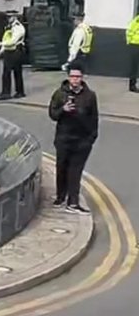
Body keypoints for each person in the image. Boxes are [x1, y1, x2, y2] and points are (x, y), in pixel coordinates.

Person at [48, 66, 99, 212]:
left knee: (75, 171)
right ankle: (60, 197)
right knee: (62, 168)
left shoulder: (90, 96)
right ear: (69, 77)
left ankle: (73, 202)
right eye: (72, 76)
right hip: (64, 138)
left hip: (82, 140)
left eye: (78, 76)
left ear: (82, 78)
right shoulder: (59, 94)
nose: (75, 79)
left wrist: (92, 138)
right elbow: (52, 114)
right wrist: (63, 110)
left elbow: (94, 117)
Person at [0, 12, 27, 99]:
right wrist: (2, 49)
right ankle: (16, 92)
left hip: (16, 51)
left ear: (15, 17)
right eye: (7, 17)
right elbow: (6, 38)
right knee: (10, 72)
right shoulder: (9, 27)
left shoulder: (18, 27)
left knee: (13, 72)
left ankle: (10, 93)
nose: (8, 19)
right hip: (9, 51)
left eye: (10, 17)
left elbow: (12, 41)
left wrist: (0, 44)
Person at [127, 11, 139, 92]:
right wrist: (129, 41)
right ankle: (132, 85)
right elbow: (129, 31)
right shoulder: (137, 20)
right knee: (134, 66)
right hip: (135, 44)